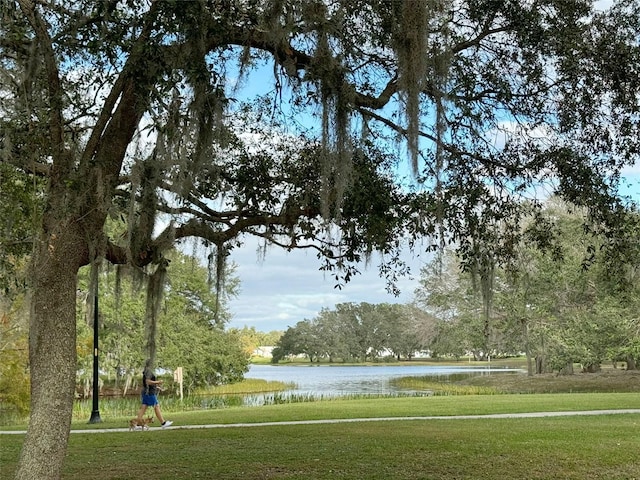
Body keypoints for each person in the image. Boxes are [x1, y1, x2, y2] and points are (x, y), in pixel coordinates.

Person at [137, 358, 173, 429]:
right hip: (149, 393)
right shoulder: (148, 371)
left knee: (143, 408)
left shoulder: (147, 371)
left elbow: (147, 383)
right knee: (156, 406)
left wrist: (157, 387)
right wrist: (158, 382)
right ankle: (163, 423)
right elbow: (147, 381)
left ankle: (138, 423)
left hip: (147, 392)